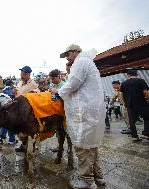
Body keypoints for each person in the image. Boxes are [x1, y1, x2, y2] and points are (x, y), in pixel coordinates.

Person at [53, 44, 106, 188]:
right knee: (91, 147)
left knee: (82, 148)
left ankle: (87, 181)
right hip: (89, 112)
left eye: (68, 55)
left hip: (83, 114)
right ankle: (99, 178)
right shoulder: (87, 62)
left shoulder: (81, 62)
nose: (67, 58)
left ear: (75, 52)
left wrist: (58, 92)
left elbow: (73, 83)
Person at [14, 66, 39, 152]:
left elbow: (38, 94)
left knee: (28, 130)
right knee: (19, 129)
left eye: (24, 74)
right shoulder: (20, 82)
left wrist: (33, 93)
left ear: (28, 75)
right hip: (18, 109)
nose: (22, 76)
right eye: (21, 74)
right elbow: (17, 92)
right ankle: (23, 144)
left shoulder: (33, 84)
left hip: (28, 112)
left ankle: (32, 145)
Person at [121, 69, 149, 142]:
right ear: (136, 74)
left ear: (128, 75)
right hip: (141, 103)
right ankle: (146, 133)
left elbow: (121, 95)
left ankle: (134, 137)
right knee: (147, 117)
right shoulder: (141, 81)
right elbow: (145, 92)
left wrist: (125, 103)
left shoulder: (123, 83)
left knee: (131, 121)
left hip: (130, 105)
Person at [0, 79, 16, 145]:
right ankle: (11, 140)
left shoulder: (2, 91)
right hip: (10, 110)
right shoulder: (11, 90)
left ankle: (1, 137)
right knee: (10, 125)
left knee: (3, 124)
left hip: (3, 109)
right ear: (11, 84)